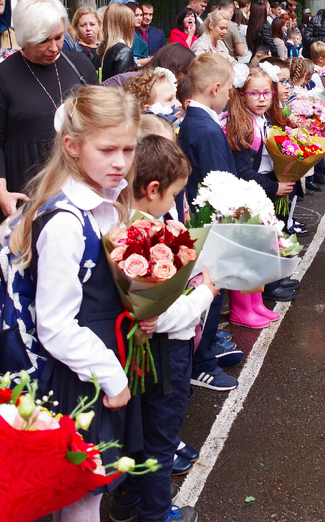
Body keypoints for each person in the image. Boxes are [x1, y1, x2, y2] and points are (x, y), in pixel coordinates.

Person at [4, 86, 147, 522]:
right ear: (72, 146)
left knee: (91, 487)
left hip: (100, 361)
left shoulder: (106, 203)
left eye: (128, 148)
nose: (120, 162)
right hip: (79, 375)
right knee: (81, 491)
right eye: (107, 150)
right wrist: (110, 375)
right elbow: (55, 323)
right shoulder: (66, 222)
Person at [112, 134, 211, 522]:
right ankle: (156, 514)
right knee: (161, 439)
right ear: (152, 190)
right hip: (166, 357)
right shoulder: (145, 236)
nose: (175, 203)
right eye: (174, 194)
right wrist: (207, 290)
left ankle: (126, 500)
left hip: (136, 357)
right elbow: (159, 317)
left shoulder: (119, 223)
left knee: (136, 434)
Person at [0, 0, 97, 216]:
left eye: (59, 37)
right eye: (44, 40)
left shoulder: (80, 65)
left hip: (77, 181)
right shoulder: (0, 78)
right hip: (26, 185)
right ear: (25, 37)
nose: (54, 48)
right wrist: (1, 192)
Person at [179, 53, 242, 393]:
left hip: (200, 220)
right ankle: (200, 362)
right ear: (216, 88)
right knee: (210, 290)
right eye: (230, 89)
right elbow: (220, 183)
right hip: (209, 226)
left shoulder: (194, 121)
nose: (231, 95)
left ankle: (205, 347)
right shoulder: (207, 130)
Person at [225, 66, 298, 326]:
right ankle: (242, 308)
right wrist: (273, 187)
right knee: (249, 253)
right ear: (242, 95)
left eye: (267, 93)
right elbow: (243, 171)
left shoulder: (264, 119)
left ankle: (256, 302)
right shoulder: (242, 124)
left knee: (262, 249)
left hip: (265, 189)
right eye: (255, 93)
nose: (262, 98)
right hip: (252, 192)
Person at [99, 3, 140, 81]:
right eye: (131, 21)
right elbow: (122, 84)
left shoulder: (100, 49)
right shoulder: (123, 51)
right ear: (126, 25)